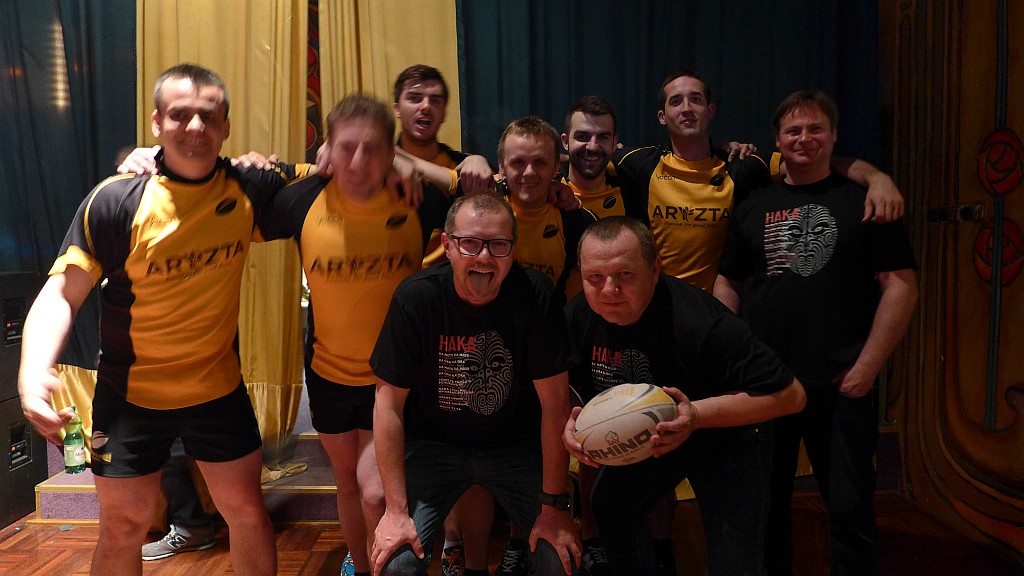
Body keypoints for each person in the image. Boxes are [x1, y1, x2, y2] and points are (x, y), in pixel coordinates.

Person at [17, 63, 307, 576]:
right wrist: (32, 370)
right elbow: (61, 293)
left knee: (244, 512)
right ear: (157, 123)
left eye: (208, 116)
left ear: (226, 126)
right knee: (123, 526)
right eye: (179, 115)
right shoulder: (116, 200)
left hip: (217, 390)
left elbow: (344, 172)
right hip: (130, 397)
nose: (195, 127)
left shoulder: (249, 186)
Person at [713, 90, 918, 576]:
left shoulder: (868, 202)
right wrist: (732, 358)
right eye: (793, 130)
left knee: (850, 508)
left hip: (842, 381)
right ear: (777, 140)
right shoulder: (752, 204)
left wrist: (867, 368)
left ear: (834, 135)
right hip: (766, 384)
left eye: (815, 129)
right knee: (766, 509)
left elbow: (901, 286)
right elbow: (728, 283)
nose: (804, 138)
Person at [258, 93, 450, 576]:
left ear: (392, 153)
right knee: (348, 484)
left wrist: (415, 167)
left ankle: (406, 562)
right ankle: (361, 567)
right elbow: (236, 198)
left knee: (378, 491)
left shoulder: (418, 199)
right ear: (326, 148)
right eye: (346, 147)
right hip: (329, 374)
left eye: (373, 149)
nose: (359, 161)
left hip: (396, 381)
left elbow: (481, 205)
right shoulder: (301, 200)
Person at [561, 216, 807, 576]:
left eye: (625, 274)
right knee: (612, 503)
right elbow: (566, 388)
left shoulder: (701, 321)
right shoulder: (579, 315)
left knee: (736, 559)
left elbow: (791, 395)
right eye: (594, 277)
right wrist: (571, 423)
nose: (609, 290)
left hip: (727, 437)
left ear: (654, 270)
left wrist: (696, 416)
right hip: (654, 436)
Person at [369, 192, 582, 576]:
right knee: (396, 564)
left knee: (558, 558)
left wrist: (554, 507)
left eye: (498, 245)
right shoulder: (416, 298)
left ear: (513, 250)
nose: (484, 257)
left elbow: (555, 406)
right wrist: (395, 511)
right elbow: (388, 405)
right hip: (434, 448)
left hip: (515, 447)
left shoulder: (535, 296)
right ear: (448, 246)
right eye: (470, 243)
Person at [612, 70, 905, 291]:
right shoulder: (639, 164)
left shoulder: (742, 164)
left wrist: (877, 178)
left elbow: (811, 160)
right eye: (676, 102)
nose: (687, 108)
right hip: (657, 303)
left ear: (710, 111)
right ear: (662, 116)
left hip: (717, 309)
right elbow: (591, 163)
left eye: (696, 99)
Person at [392, 64, 494, 576]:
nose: (425, 106)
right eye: (415, 97)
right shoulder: (367, 158)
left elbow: (485, 202)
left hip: (449, 322)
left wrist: (469, 161)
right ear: (397, 107)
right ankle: (388, 536)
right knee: (395, 443)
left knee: (453, 438)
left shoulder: (464, 168)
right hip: (386, 317)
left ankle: (454, 544)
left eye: (435, 98)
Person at [499, 116, 597, 303]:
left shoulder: (577, 222)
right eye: (518, 162)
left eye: (539, 162)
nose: (529, 172)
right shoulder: (482, 211)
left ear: (555, 167)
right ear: (502, 167)